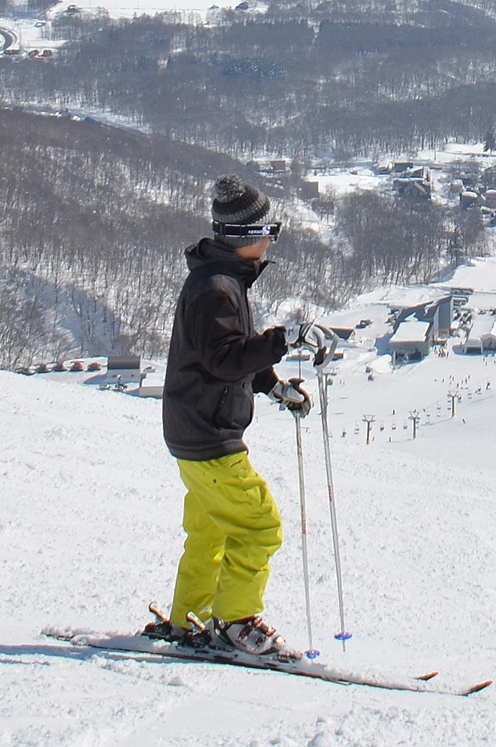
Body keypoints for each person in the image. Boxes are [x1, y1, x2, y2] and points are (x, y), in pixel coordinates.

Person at [150, 175, 312, 658]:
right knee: (259, 525)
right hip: (209, 436)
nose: (271, 240)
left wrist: (275, 386)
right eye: (270, 231)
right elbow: (224, 360)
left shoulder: (219, 282)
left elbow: (227, 358)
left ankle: (189, 620)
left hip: (192, 430)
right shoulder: (216, 288)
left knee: (212, 531)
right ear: (246, 237)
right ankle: (237, 623)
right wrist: (284, 340)